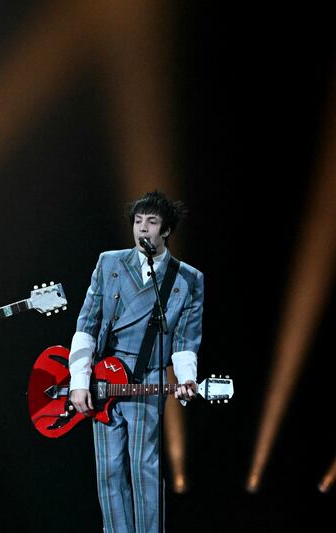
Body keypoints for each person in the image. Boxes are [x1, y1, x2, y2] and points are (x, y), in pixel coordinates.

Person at [68, 190, 204, 532]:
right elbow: (88, 322)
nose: (143, 229)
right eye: (138, 221)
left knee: (145, 467)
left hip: (148, 377)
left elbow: (186, 337)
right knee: (109, 470)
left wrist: (187, 377)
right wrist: (79, 381)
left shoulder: (187, 279)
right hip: (105, 377)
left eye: (152, 222)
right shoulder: (109, 263)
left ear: (166, 230)